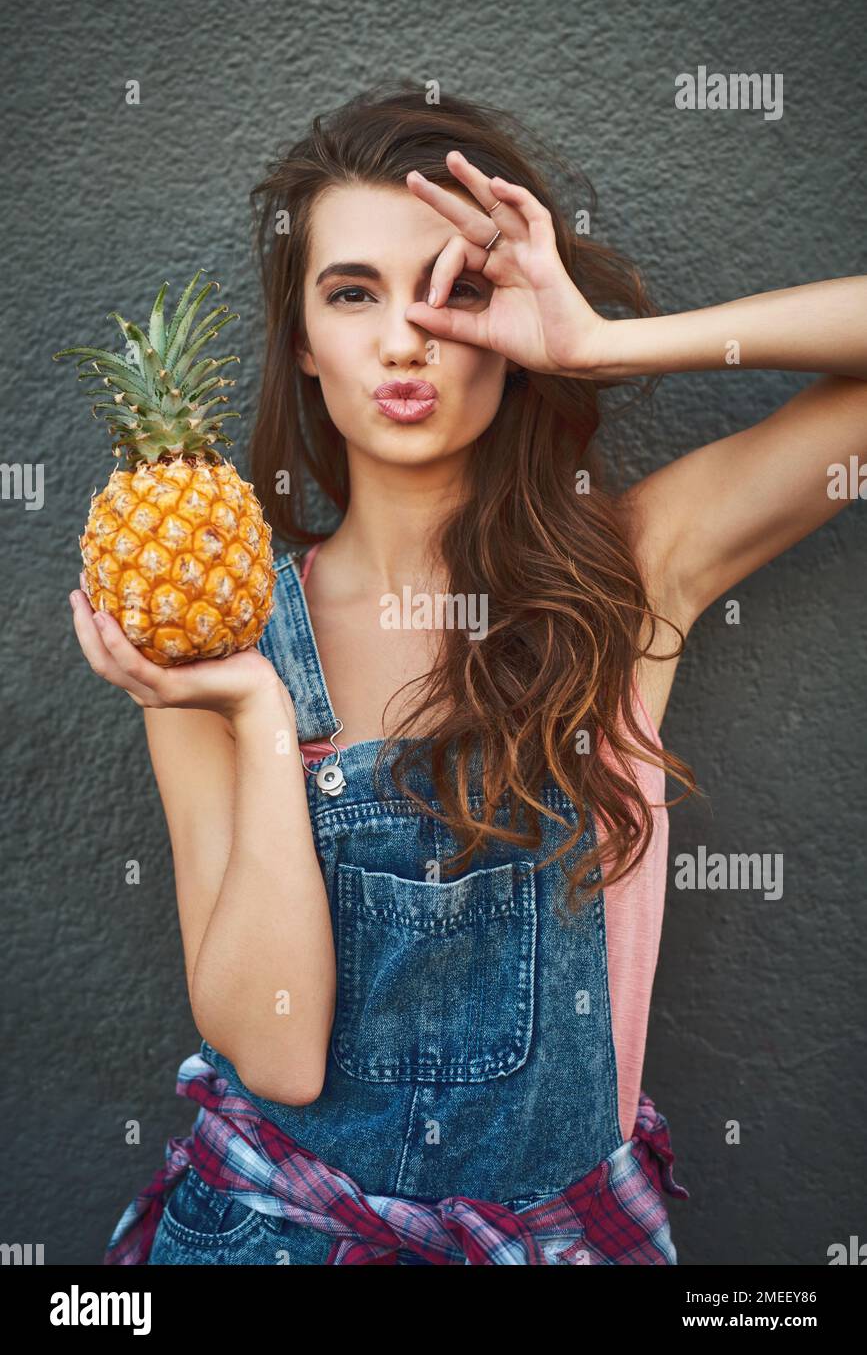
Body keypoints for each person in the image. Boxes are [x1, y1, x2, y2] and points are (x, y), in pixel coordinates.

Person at [72, 84, 867, 1265]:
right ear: (302, 338)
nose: (405, 339)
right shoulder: (218, 643)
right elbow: (278, 1056)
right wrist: (251, 712)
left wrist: (598, 342)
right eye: (353, 294)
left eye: (455, 291)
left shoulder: (633, 579)